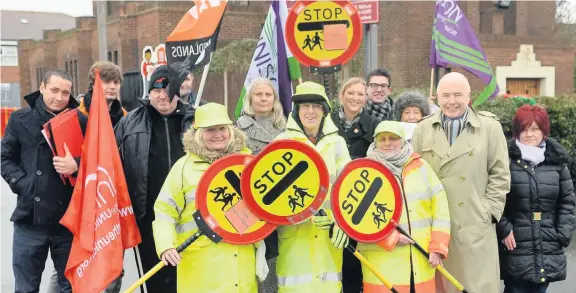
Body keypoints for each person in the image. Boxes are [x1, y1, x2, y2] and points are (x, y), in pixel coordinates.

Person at [411, 72, 511, 293]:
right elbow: (413, 173)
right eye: (445, 95)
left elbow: (500, 174)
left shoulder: (489, 128)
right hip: (434, 230)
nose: (451, 101)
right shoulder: (423, 129)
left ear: (469, 97)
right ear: (437, 98)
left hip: (474, 227)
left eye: (458, 95)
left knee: (474, 287)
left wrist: (489, 212)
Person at [153, 102, 266, 292]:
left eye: (222, 128)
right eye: (210, 130)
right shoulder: (183, 168)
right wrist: (165, 245)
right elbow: (164, 211)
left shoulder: (248, 164)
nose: (217, 135)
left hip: (242, 269)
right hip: (200, 270)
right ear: (199, 133)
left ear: (230, 130)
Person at [1, 69, 87, 293]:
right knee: (26, 288)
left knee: (72, 287)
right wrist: (24, 184)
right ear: (42, 88)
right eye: (54, 90)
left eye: (65, 93)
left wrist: (76, 165)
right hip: (29, 219)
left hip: (68, 220)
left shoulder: (81, 121)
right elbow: (6, 158)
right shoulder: (20, 119)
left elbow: (99, 161)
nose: (59, 97)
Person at [114, 65, 188, 293]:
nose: (162, 95)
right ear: (149, 92)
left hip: (188, 216)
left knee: (187, 277)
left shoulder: (194, 119)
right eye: (156, 90)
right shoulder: (129, 123)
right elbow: (109, 162)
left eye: (168, 89)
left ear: (177, 91)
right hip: (148, 218)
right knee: (155, 277)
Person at [274, 81, 352, 293]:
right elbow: (272, 195)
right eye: (305, 106)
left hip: (329, 235)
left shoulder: (337, 144)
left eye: (316, 106)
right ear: (296, 110)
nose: (310, 111)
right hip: (294, 233)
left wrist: (340, 223)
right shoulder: (281, 142)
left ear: (324, 111)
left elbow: (347, 190)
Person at [360, 121, 451, 293]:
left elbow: (441, 210)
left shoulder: (423, 168)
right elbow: (356, 220)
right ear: (375, 142)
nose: (387, 143)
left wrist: (438, 247)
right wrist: (389, 237)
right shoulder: (364, 172)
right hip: (381, 265)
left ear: (403, 141)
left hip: (420, 260)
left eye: (393, 138)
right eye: (382, 139)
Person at [497, 104, 575, 293]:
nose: (529, 134)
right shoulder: (505, 161)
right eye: (523, 129)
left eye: (534, 129)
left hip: (548, 241)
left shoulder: (557, 163)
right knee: (515, 288)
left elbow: (567, 201)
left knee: (540, 287)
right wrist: (504, 228)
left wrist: (562, 234)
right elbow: (496, 198)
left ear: (544, 132)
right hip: (516, 243)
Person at [236, 77, 286, 293]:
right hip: (250, 206)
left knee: (276, 260)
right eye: (259, 94)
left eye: (268, 94)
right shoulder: (238, 129)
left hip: (280, 203)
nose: (264, 99)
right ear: (250, 98)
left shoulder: (285, 127)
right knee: (254, 262)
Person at [329, 77, 378, 293]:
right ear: (342, 95)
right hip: (331, 199)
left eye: (360, 94)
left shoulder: (374, 126)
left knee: (354, 259)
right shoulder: (327, 122)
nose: (355, 98)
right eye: (351, 93)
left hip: (360, 200)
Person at [78, 61, 128, 127]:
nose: (112, 87)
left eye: (116, 82)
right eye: (106, 82)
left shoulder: (126, 118)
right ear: (93, 84)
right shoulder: (78, 115)